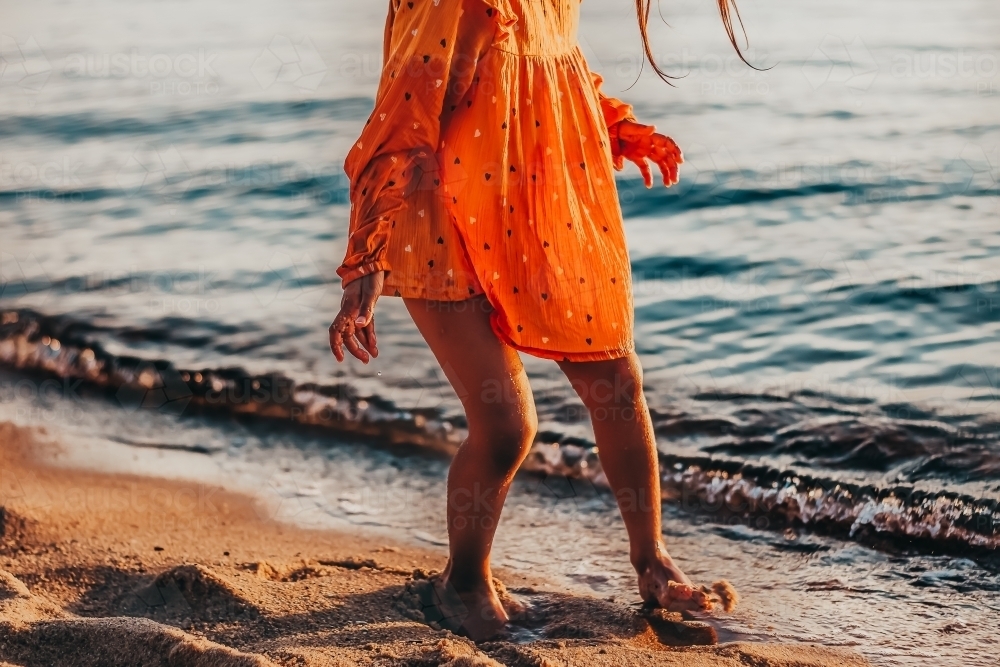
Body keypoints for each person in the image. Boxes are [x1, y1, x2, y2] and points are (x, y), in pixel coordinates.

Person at [330, 0, 747, 640]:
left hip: (537, 207)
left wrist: (615, 126)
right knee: (505, 425)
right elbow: (407, 105)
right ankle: (462, 581)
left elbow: (551, 70)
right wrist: (365, 255)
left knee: (617, 383)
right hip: (442, 219)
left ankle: (651, 560)